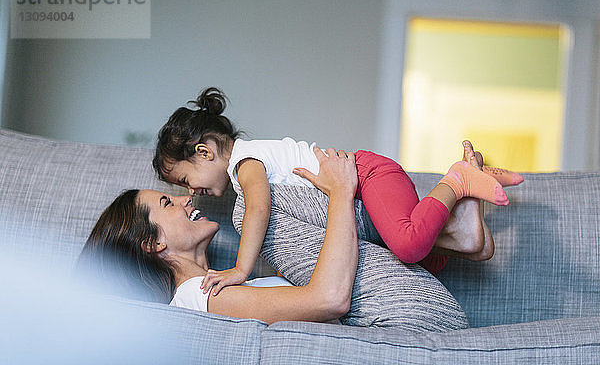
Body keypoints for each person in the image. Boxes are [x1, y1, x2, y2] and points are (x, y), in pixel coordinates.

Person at [152, 88, 523, 295]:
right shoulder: (249, 161)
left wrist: (240, 269)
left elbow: (258, 211)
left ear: (204, 152)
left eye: (186, 180)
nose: (193, 191)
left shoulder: (246, 163)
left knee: (408, 243)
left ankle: (455, 182)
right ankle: (464, 235)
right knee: (414, 256)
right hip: (366, 191)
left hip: (368, 175)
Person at [77, 147, 469, 331]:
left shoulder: (219, 286)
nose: (185, 198)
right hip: (407, 333)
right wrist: (340, 192)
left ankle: (449, 233)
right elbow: (329, 299)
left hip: (416, 320)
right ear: (153, 243)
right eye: (167, 201)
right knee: (248, 207)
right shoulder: (200, 297)